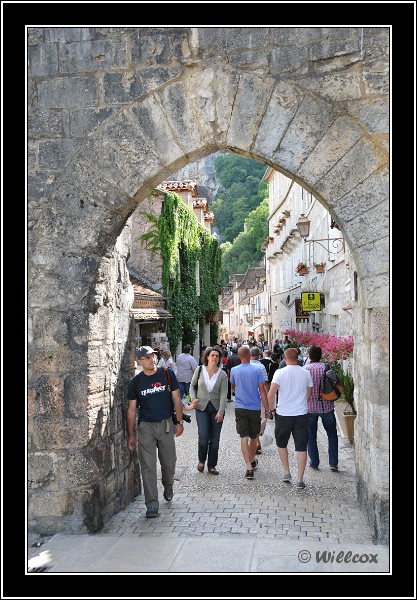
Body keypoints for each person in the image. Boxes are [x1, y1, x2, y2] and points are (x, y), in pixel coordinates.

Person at [127, 346, 184, 518]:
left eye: (153, 356)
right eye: (147, 357)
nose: (152, 359)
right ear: (140, 361)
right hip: (146, 428)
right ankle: (152, 505)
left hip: (166, 424)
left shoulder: (167, 374)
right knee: (148, 466)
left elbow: (176, 398)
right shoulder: (136, 382)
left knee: (169, 463)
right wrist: (131, 434)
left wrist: (179, 422)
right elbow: (131, 410)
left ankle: (168, 485)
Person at [267, 347, 313, 490]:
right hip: (301, 414)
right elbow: (309, 393)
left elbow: (271, 393)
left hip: (283, 414)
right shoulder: (306, 373)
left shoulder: (279, 373)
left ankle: (287, 472)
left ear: (285, 359)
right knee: (301, 446)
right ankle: (300, 479)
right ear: (298, 358)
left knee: (282, 443)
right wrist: (302, 404)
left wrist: (272, 409)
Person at [230, 345, 270, 480]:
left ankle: (248, 466)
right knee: (254, 436)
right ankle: (251, 459)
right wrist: (267, 409)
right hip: (254, 407)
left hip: (240, 407)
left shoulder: (234, 371)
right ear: (249, 355)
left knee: (243, 436)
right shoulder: (257, 370)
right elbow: (263, 391)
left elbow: (233, 387)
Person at [189, 345, 228, 475]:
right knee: (204, 436)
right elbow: (192, 386)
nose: (215, 358)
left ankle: (212, 465)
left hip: (216, 408)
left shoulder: (222, 374)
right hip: (201, 407)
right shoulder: (199, 370)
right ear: (207, 357)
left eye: (217, 356)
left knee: (215, 439)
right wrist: (193, 399)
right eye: (212, 355)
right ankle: (201, 460)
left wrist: (221, 411)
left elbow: (224, 394)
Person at [303, 345, 339, 472]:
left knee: (311, 436)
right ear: (321, 355)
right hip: (327, 406)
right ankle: (333, 463)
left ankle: (314, 463)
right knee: (332, 435)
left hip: (310, 408)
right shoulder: (326, 367)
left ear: (309, 356)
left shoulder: (304, 369)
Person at [250, 345, 269, 454]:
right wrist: (268, 398)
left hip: (249, 397)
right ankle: (256, 440)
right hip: (259, 396)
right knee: (260, 419)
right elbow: (265, 384)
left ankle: (255, 440)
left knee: (253, 420)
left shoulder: (246, 365)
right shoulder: (261, 367)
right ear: (259, 355)